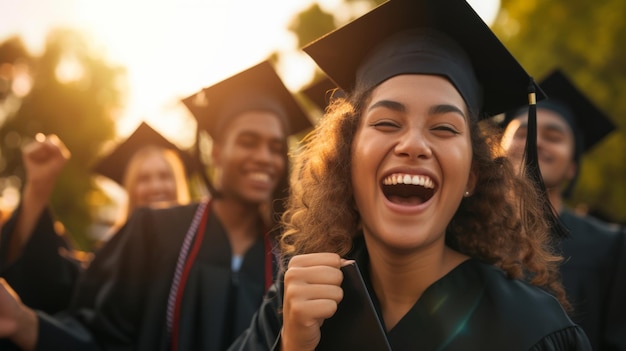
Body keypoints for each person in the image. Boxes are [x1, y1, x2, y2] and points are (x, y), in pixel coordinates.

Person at [229, 0, 591, 350]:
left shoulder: (531, 330)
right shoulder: (295, 302)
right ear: (347, 160)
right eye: (387, 122)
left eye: (445, 128)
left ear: (472, 175)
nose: (414, 144)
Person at [0, 59, 312, 351]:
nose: (264, 158)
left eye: (275, 147)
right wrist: (24, 322)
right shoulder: (154, 231)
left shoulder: (288, 258)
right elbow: (101, 335)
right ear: (216, 152)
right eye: (248, 142)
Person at [500, 69, 626, 350]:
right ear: (499, 149)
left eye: (553, 136)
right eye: (522, 132)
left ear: (572, 166)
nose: (535, 140)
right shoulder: (464, 234)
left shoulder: (611, 248)